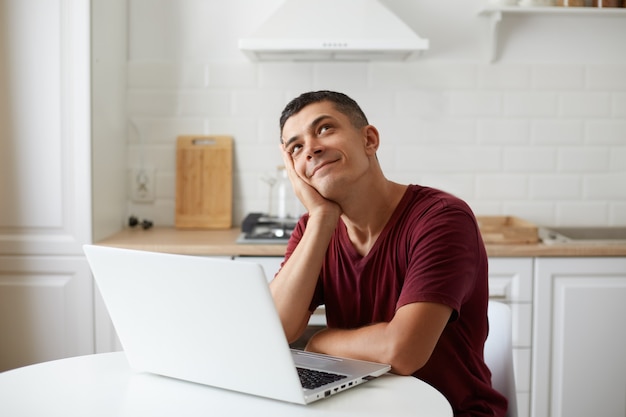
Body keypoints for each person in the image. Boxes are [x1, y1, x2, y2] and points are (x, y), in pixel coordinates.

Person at [270, 90, 507, 417]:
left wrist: (320, 342)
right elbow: (277, 330)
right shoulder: (313, 228)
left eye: (325, 129)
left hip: (452, 410)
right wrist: (323, 219)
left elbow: (402, 351)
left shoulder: (441, 218)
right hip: (361, 408)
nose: (311, 148)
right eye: (296, 147)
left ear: (369, 139)